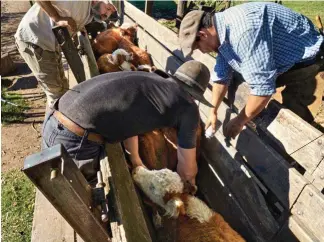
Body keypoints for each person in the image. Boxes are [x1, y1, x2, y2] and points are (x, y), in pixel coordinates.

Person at [42, 60, 213, 184]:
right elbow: (187, 169)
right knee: (84, 194)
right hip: (75, 141)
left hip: (54, 118)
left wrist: (136, 160)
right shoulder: (188, 109)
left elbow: (130, 122)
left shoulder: (150, 80)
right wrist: (190, 184)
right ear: (195, 95)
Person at [179, 2, 324, 139]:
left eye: (198, 47)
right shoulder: (221, 32)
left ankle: (296, 161)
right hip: (280, 60)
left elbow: (263, 89)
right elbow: (222, 76)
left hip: (305, 60)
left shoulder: (243, 34)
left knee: (292, 120)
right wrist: (213, 111)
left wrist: (239, 121)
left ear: (203, 35)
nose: (202, 52)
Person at [15, 0, 117, 109]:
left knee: (63, 89)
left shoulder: (89, 12)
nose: (106, 15)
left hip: (51, 44)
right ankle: (55, 124)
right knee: (56, 94)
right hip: (35, 39)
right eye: (108, 8)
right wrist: (57, 18)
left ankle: (61, 119)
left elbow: (72, 19)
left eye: (110, 13)